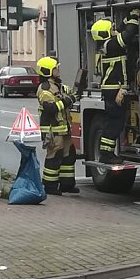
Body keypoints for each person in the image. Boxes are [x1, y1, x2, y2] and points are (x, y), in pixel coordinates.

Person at [90, 9, 140, 164]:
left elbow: (119, 30)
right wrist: (134, 18)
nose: (113, 30)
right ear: (106, 33)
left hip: (112, 89)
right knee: (115, 123)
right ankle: (107, 155)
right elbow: (127, 35)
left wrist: (126, 17)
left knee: (114, 121)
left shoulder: (107, 45)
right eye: (110, 29)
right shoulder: (111, 45)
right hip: (114, 90)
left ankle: (107, 154)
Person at [36, 56, 79, 196]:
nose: (58, 70)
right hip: (53, 129)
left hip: (63, 128)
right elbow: (50, 108)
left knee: (69, 155)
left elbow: (69, 93)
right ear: (48, 71)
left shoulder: (58, 85)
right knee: (54, 156)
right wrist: (68, 101)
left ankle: (67, 184)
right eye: (55, 68)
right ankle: (49, 186)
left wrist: (75, 92)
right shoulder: (45, 89)